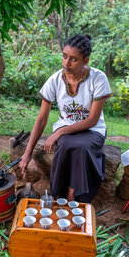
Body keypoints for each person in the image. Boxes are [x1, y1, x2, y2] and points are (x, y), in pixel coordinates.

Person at [19, 34, 112, 203]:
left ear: (86, 60)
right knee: (66, 145)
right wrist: (27, 153)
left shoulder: (98, 78)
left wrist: (60, 132)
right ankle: (57, 193)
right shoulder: (55, 80)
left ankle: (72, 194)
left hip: (93, 130)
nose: (66, 63)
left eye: (74, 59)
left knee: (81, 147)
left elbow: (92, 120)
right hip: (66, 130)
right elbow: (41, 120)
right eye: (64, 56)